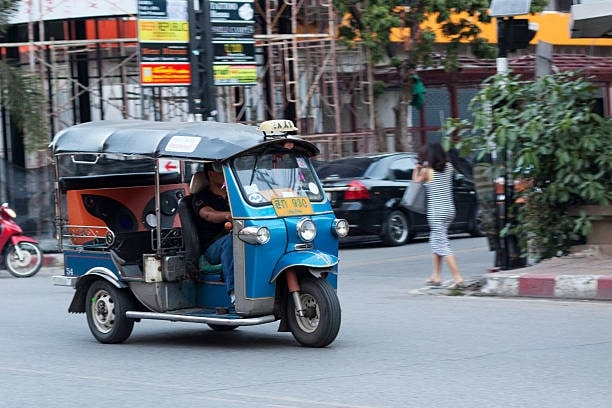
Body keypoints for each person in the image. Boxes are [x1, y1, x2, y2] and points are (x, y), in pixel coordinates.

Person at [412, 142, 464, 289]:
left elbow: (415, 182)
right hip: (449, 210)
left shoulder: (427, 171)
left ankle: (458, 278)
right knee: (435, 241)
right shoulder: (449, 168)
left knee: (442, 244)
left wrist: (416, 168)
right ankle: (436, 276)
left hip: (436, 212)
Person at [192, 162, 235, 303]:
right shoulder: (201, 197)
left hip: (237, 236)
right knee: (231, 240)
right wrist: (228, 215)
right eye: (222, 172)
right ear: (211, 174)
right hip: (212, 249)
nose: (225, 175)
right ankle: (234, 292)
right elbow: (208, 214)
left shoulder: (234, 194)